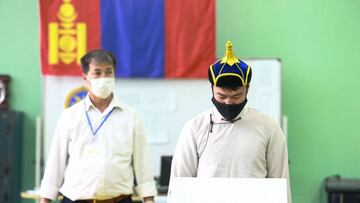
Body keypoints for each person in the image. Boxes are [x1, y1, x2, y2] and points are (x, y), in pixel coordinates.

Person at [168, 41, 291, 202]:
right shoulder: (194, 127)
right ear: (212, 88)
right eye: (221, 96)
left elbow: (280, 185)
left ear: (247, 89)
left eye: (236, 96)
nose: (228, 103)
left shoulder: (269, 127)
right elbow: (179, 185)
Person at [40, 49, 157, 203]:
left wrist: (149, 199)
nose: (104, 77)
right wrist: (45, 199)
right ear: (85, 79)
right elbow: (55, 164)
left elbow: (143, 166)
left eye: (109, 72)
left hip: (119, 199)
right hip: (76, 200)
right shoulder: (70, 116)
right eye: (97, 73)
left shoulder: (131, 117)